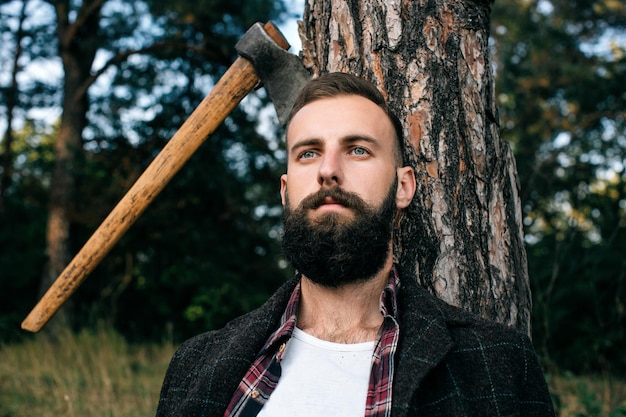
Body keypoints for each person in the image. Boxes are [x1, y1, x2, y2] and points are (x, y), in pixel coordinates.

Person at [156, 72, 555, 416]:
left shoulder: (500, 363)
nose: (328, 171)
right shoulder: (195, 366)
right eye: (309, 153)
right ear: (285, 189)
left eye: (358, 150)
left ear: (402, 186)